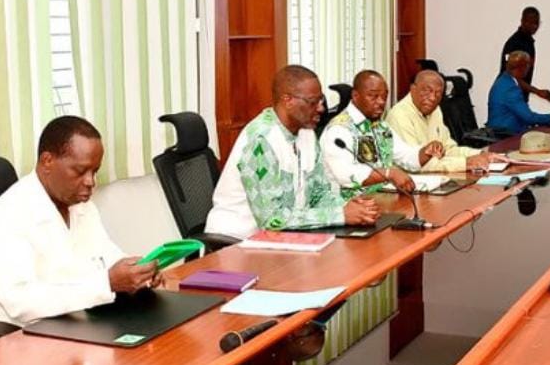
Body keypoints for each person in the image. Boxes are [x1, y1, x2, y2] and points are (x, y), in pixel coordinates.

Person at [0, 116, 159, 327]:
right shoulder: (6, 217)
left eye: (94, 171)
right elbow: (21, 303)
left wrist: (137, 273)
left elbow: (106, 254)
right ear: (47, 162)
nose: (91, 182)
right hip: (20, 337)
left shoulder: (79, 204)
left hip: (74, 323)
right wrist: (107, 283)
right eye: (80, 171)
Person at [205, 65, 380, 239]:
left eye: (321, 100)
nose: (321, 108)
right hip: (237, 242)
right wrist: (339, 215)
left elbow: (319, 194)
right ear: (287, 100)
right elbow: (271, 219)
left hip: (283, 238)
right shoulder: (261, 139)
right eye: (313, 102)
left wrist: (349, 208)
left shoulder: (307, 133)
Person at [322, 70, 433, 195]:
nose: (381, 102)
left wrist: (426, 152)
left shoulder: (381, 126)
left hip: (383, 200)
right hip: (349, 206)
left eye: (384, 97)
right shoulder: (339, 129)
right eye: (373, 96)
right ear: (355, 95)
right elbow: (344, 175)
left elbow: (405, 157)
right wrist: (387, 173)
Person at [387, 70, 507, 173]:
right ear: (413, 89)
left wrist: (480, 154)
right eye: (427, 91)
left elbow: (448, 149)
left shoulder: (435, 110)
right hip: (410, 185)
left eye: (438, 94)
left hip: (437, 179)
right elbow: (417, 165)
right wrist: (465, 163)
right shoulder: (399, 115)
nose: (433, 98)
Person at [486, 51, 550, 135]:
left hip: (502, 132)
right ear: (522, 67)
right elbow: (529, 118)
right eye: (528, 65)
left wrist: (537, 91)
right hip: (506, 136)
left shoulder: (504, 80)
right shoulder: (511, 89)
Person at [497, 6, 550, 103]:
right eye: (530, 22)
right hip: (508, 97)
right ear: (522, 21)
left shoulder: (528, 42)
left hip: (518, 97)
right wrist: (537, 91)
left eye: (536, 23)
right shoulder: (515, 43)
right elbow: (511, 76)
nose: (534, 26)